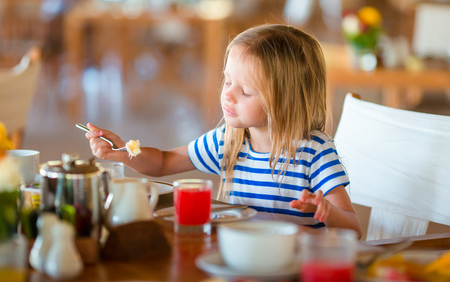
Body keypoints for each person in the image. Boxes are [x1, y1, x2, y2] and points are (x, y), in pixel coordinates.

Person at [84, 24, 362, 238]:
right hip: (237, 259)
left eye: (245, 91)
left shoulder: (314, 152)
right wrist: (124, 152)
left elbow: (353, 228)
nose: (227, 95)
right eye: (227, 81)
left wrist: (326, 211)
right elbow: (164, 162)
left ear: (285, 100)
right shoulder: (229, 141)